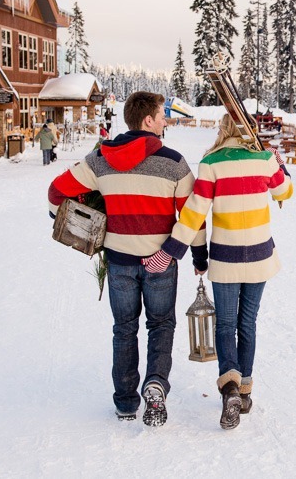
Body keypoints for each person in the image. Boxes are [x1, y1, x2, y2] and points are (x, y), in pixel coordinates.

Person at [47, 91, 207, 427]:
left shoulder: (100, 160)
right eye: (162, 115)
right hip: (160, 262)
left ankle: (124, 402)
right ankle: (156, 385)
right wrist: (196, 254)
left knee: (124, 329)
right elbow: (193, 215)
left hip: (119, 260)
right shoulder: (174, 162)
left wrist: (70, 219)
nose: (165, 120)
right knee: (161, 324)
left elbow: (57, 191)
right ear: (148, 120)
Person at [158, 114, 293, 430]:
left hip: (226, 257)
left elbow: (194, 215)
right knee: (248, 321)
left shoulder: (211, 163)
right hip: (260, 255)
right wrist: (279, 164)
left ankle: (229, 384)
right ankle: (244, 393)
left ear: (223, 131)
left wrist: (192, 254)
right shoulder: (264, 160)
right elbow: (285, 192)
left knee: (226, 323)